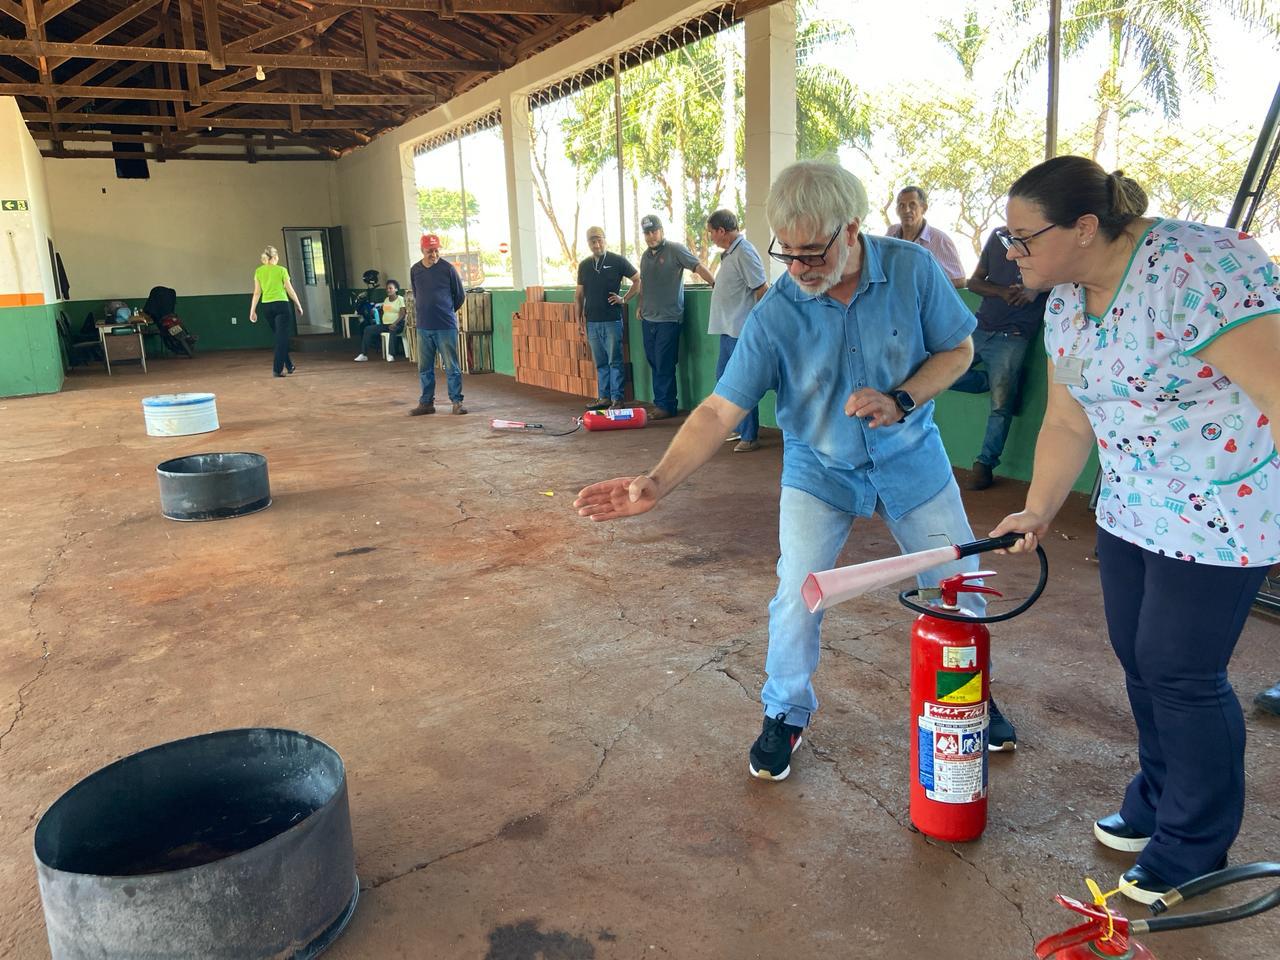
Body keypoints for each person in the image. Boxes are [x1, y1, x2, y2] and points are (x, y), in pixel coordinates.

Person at [576, 161, 1020, 785]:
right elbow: (719, 409)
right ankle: (784, 711)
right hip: (819, 466)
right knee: (796, 594)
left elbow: (959, 349)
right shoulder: (779, 309)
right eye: (789, 253)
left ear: (853, 230)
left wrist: (904, 399)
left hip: (911, 457)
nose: (801, 268)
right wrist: (657, 480)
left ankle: (969, 693)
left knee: (957, 584)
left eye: (814, 252)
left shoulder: (913, 271)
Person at [989, 155, 1280, 905]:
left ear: (1085, 227)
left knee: (1182, 672)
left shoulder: (1199, 268)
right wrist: (1041, 506)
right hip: (1131, 508)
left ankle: (1195, 844)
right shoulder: (1065, 299)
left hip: (1221, 509)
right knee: (1140, 659)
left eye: (1023, 239)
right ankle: (1158, 797)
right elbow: (1066, 417)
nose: (1012, 254)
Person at [950, 228, 1049, 490]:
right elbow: (974, 282)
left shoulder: (1051, 238)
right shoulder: (999, 236)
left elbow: (1070, 278)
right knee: (942, 372)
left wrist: (1034, 290)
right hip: (980, 327)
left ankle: (985, 464)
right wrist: (1002, 292)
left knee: (1000, 407)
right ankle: (999, 382)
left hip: (1014, 336)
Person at [636, 214, 716, 419]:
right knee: (653, 360)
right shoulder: (645, 256)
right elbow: (643, 283)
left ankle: (666, 405)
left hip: (669, 318)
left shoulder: (675, 249)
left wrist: (715, 284)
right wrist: (640, 305)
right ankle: (662, 402)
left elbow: (697, 266)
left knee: (664, 362)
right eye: (647, 233)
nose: (651, 236)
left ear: (661, 230)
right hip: (648, 318)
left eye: (654, 231)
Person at [706, 209, 768, 452]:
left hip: (742, 331)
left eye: (711, 232)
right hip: (729, 330)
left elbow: (761, 288)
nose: (710, 237)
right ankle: (742, 428)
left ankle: (750, 435)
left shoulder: (744, 251)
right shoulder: (731, 253)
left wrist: (757, 326)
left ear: (722, 231)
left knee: (742, 383)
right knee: (726, 381)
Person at [575, 226, 640, 409]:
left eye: (599, 239)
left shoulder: (617, 261)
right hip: (592, 322)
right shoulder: (584, 265)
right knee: (601, 362)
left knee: (614, 361)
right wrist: (578, 319)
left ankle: (617, 400)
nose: (596, 244)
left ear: (605, 239)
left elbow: (638, 279)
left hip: (612, 320)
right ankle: (603, 398)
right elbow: (579, 295)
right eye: (592, 241)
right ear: (588, 243)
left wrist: (624, 299)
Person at [408, 234, 467, 416]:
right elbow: (417, 294)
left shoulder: (448, 269)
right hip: (424, 326)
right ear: (422, 251)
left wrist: (446, 310)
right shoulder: (415, 270)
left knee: (451, 366)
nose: (433, 254)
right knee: (424, 368)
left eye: (436, 250)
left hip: (445, 326)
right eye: (429, 251)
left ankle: (456, 402)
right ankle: (426, 403)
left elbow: (459, 295)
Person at [887, 186, 967, 289]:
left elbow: (959, 281)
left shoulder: (940, 240)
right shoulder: (891, 234)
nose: (906, 210)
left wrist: (923, 288)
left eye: (912, 205)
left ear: (924, 208)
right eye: (902, 206)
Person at [249, 244, 304, 377]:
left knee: (280, 338)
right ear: (275, 257)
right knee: (282, 339)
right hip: (281, 305)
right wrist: (298, 304)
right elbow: (289, 289)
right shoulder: (281, 270)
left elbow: (257, 293)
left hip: (267, 307)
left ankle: (289, 365)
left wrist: (252, 310)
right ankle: (277, 369)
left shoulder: (259, 271)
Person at [355, 279, 406, 362]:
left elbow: (402, 314)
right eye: (387, 289)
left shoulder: (400, 299)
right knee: (368, 329)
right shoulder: (386, 300)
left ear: (396, 289)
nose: (388, 290)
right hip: (386, 325)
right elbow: (384, 311)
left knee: (392, 329)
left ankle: (391, 354)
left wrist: (394, 323)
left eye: (390, 288)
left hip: (398, 324)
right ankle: (363, 354)